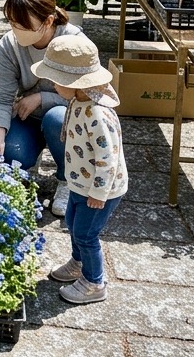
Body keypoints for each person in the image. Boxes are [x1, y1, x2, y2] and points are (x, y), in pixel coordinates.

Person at [33, 35, 126, 305]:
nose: (51, 84)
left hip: (101, 188)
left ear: (75, 83)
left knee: (86, 233)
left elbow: (108, 158)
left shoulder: (97, 113)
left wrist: (99, 192)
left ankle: (94, 282)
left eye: (55, 81)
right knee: (73, 224)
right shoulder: (79, 102)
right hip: (79, 181)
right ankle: (78, 263)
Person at [0, 0, 83, 218]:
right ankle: (30, 159)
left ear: (48, 21)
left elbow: (85, 99)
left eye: (23, 25)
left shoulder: (73, 41)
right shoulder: (9, 46)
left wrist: (42, 98)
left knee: (57, 119)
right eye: (12, 23)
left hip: (65, 117)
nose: (16, 30)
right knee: (11, 151)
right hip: (27, 117)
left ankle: (67, 180)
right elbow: (1, 97)